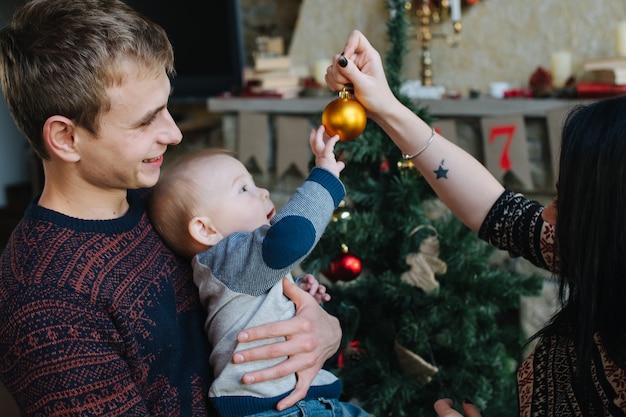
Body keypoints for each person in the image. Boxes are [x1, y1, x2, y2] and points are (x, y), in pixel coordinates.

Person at [0, 1, 341, 415]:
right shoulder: (46, 300)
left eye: (167, 107)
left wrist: (323, 330)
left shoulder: (160, 203)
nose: (175, 133)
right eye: (146, 121)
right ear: (66, 138)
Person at [325, 30, 626, 417]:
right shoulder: (596, 252)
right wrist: (385, 107)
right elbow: (497, 210)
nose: (547, 215)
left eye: (566, 201)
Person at [148, 127, 371, 417]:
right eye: (243, 189)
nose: (263, 191)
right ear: (205, 229)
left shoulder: (238, 266)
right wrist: (324, 176)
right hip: (280, 409)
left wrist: (298, 294)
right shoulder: (229, 256)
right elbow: (292, 237)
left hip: (298, 404)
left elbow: (258, 307)